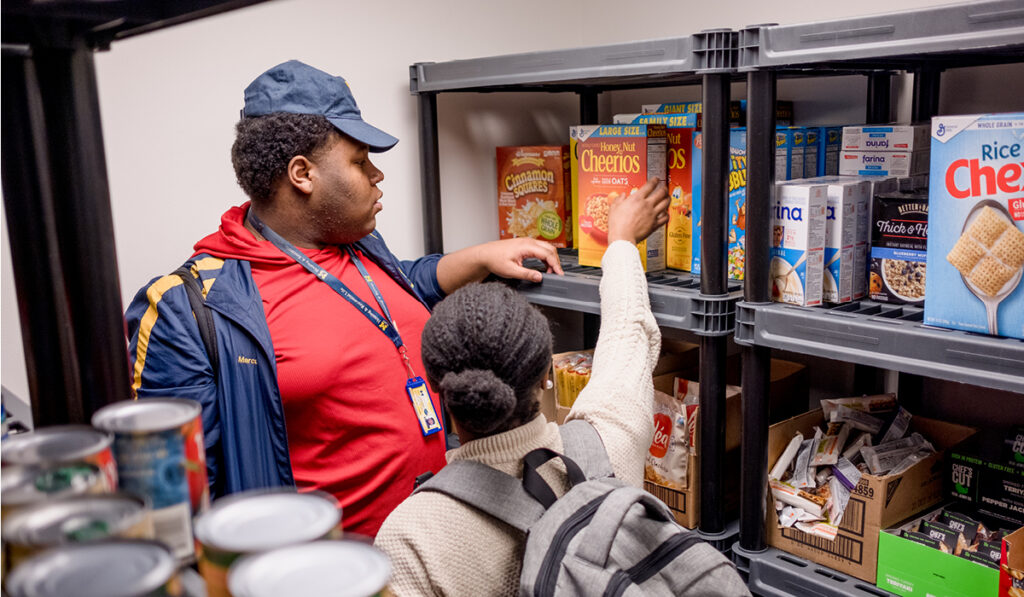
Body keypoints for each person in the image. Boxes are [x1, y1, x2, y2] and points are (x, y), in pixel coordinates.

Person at [124, 60, 563, 538]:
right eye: (359, 161)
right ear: (302, 174)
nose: (377, 175)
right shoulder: (189, 308)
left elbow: (404, 288)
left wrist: (481, 255)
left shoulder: (355, 249)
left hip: (439, 540)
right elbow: (172, 508)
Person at [375, 177, 750, 595]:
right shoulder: (609, 440)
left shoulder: (409, 536)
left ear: (439, 392)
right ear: (546, 377)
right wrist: (621, 239)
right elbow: (629, 330)